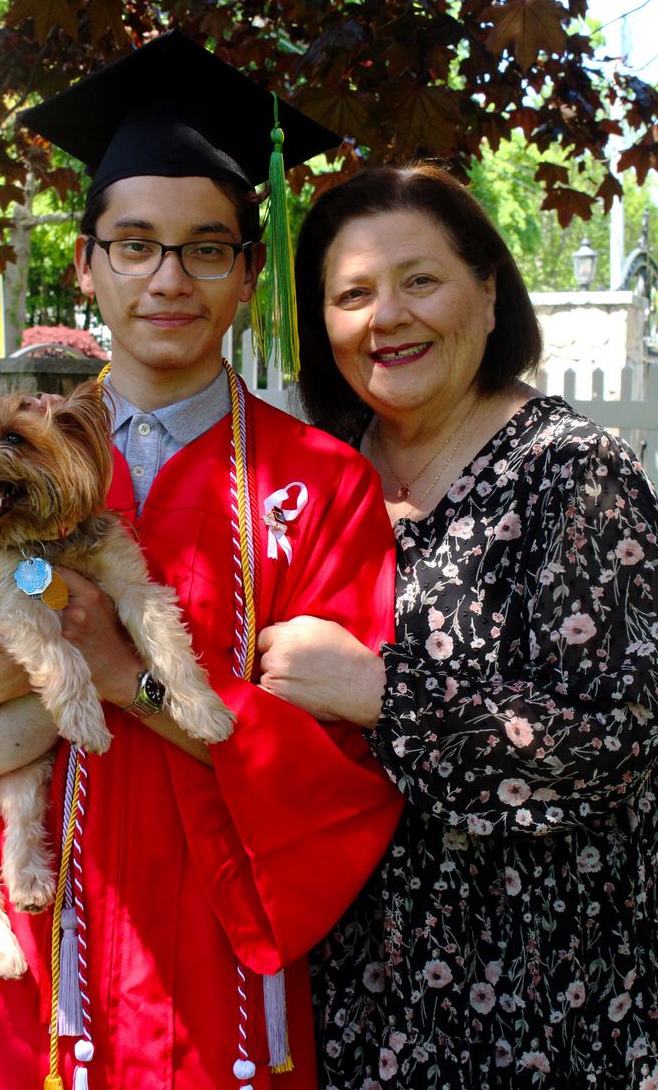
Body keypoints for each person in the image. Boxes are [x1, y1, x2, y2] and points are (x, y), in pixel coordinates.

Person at [0, 32, 403, 1090]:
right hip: (12, 967)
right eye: (134, 243)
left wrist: (129, 678)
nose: (168, 278)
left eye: (207, 247)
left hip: (211, 981)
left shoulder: (317, 486)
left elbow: (349, 777)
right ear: (87, 262)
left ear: (249, 271)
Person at [257, 163, 658, 1088]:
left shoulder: (572, 478)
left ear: (487, 293)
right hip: (352, 992)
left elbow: (621, 736)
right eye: (352, 292)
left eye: (419, 280)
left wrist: (382, 694)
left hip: (541, 1000)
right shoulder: (314, 485)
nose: (385, 316)